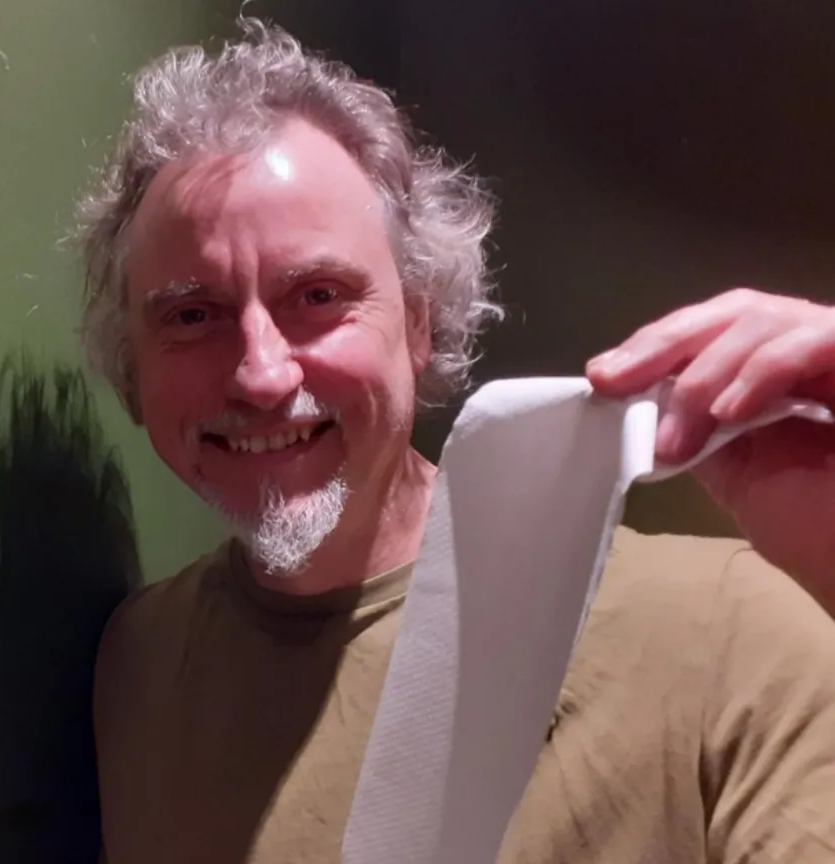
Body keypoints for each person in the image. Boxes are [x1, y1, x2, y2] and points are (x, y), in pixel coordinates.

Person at [69, 18, 835, 864]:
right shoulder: (136, 658)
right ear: (133, 368)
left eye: (318, 295)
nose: (260, 372)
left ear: (419, 323)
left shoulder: (733, 633)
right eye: (191, 315)